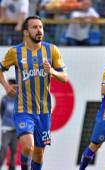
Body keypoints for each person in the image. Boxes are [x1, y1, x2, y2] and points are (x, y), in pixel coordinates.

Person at [0, 15, 68, 170]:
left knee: (38, 153)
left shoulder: (52, 50)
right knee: (28, 147)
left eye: (41, 27)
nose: (39, 30)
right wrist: (6, 86)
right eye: (34, 27)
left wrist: (52, 71)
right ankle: (24, 165)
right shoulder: (14, 52)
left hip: (44, 111)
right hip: (23, 109)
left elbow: (64, 77)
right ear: (25, 32)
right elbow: (0, 70)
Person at [0, 79, 17, 170]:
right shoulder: (5, 98)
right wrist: (7, 122)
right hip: (6, 129)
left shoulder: (19, 99)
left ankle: (12, 168)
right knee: (4, 149)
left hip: (16, 130)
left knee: (14, 151)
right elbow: (2, 112)